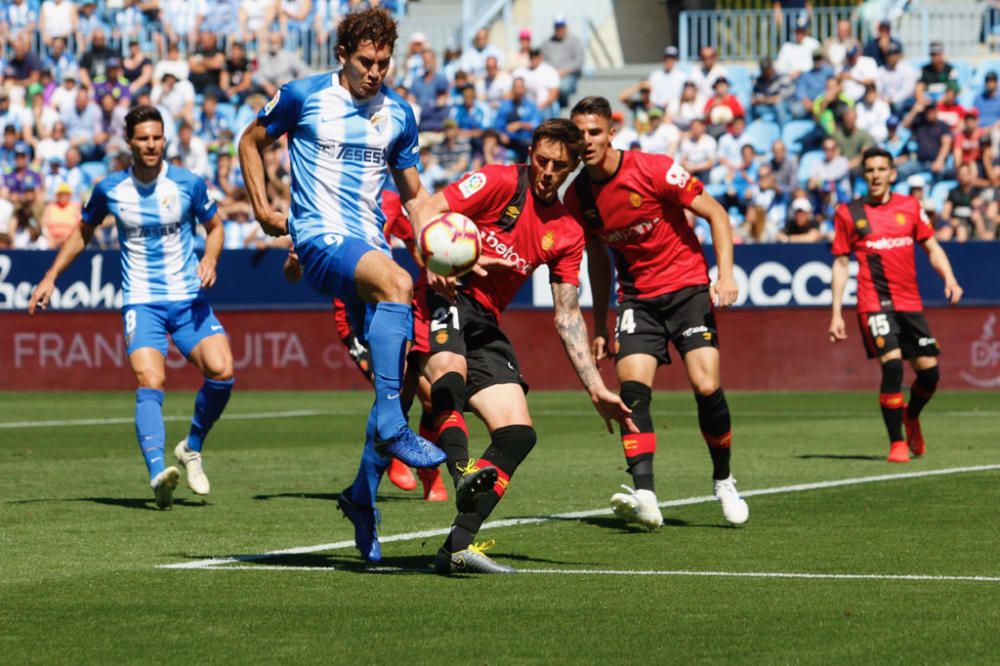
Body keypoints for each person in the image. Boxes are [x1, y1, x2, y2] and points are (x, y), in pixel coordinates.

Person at [238, 7, 447, 557]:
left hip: (367, 245)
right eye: (365, 61)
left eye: (382, 62)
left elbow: (416, 197)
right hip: (317, 238)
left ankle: (360, 494)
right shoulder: (303, 95)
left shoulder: (399, 113)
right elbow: (249, 140)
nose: (374, 72)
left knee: (398, 382)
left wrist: (443, 247)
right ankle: (394, 428)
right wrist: (262, 207)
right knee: (397, 286)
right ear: (342, 56)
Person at [409, 118, 635, 573]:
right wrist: (433, 257)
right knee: (447, 376)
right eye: (542, 160)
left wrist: (595, 387)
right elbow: (425, 207)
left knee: (518, 433)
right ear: (530, 153)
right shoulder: (496, 180)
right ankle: (459, 469)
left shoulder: (567, 233)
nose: (547, 171)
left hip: (486, 321)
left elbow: (568, 315)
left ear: (572, 169)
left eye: (559, 166)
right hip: (444, 295)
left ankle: (456, 547)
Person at [28, 105, 235, 508]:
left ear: (164, 139)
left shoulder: (188, 184)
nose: (152, 144)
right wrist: (51, 275)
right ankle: (159, 474)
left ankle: (191, 447)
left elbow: (216, 227)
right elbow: (83, 231)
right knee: (150, 380)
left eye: (157, 137)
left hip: (188, 298)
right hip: (142, 301)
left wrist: (210, 258)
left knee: (223, 372)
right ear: (130, 142)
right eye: (144, 138)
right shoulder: (111, 189)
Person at [565, 96, 749, 531]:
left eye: (594, 132)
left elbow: (716, 214)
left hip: (686, 290)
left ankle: (723, 480)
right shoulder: (578, 196)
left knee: (706, 386)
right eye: (579, 134)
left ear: (612, 133)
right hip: (638, 301)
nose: (586, 141)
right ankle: (645, 495)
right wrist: (599, 323)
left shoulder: (653, 169)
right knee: (631, 391)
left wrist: (725, 276)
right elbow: (597, 258)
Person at [828, 147, 963, 462]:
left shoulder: (910, 207)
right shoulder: (849, 213)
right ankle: (896, 443)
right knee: (891, 365)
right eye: (870, 170)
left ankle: (911, 416)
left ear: (891, 174)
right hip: (873, 301)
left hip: (909, 302)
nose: (875, 175)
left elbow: (931, 246)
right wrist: (835, 312)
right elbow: (840, 264)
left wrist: (950, 278)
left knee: (929, 375)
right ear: (864, 176)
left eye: (881, 169)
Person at [540, 14, 584, 109]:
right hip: (550, 75)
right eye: (557, 27)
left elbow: (579, 62)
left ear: (566, 27)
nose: (559, 29)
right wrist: (552, 72)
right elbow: (541, 60)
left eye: (561, 27)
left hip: (569, 75)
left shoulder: (575, 41)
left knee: (563, 87)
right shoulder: (547, 43)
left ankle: (562, 107)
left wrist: (564, 71)